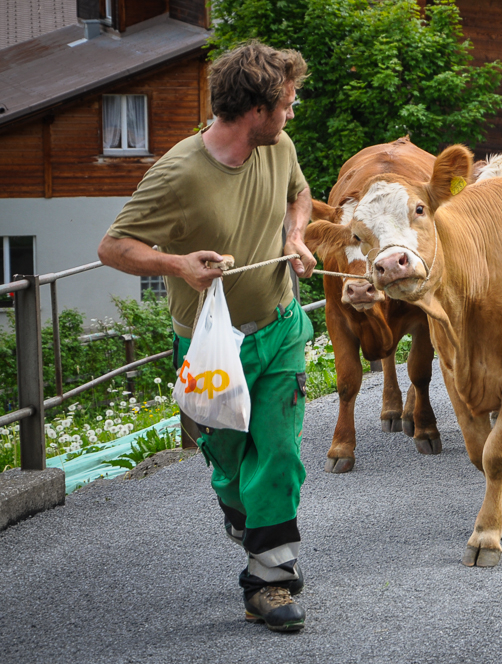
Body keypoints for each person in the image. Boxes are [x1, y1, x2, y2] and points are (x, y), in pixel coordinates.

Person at [97, 41, 317, 633]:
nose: (292, 113)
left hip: (278, 326)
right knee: (229, 460)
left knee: (277, 451)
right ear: (257, 110)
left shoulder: (280, 146)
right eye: (287, 103)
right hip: (208, 346)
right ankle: (246, 514)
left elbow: (299, 195)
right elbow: (113, 247)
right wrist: (178, 266)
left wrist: (296, 236)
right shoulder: (178, 172)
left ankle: (269, 582)